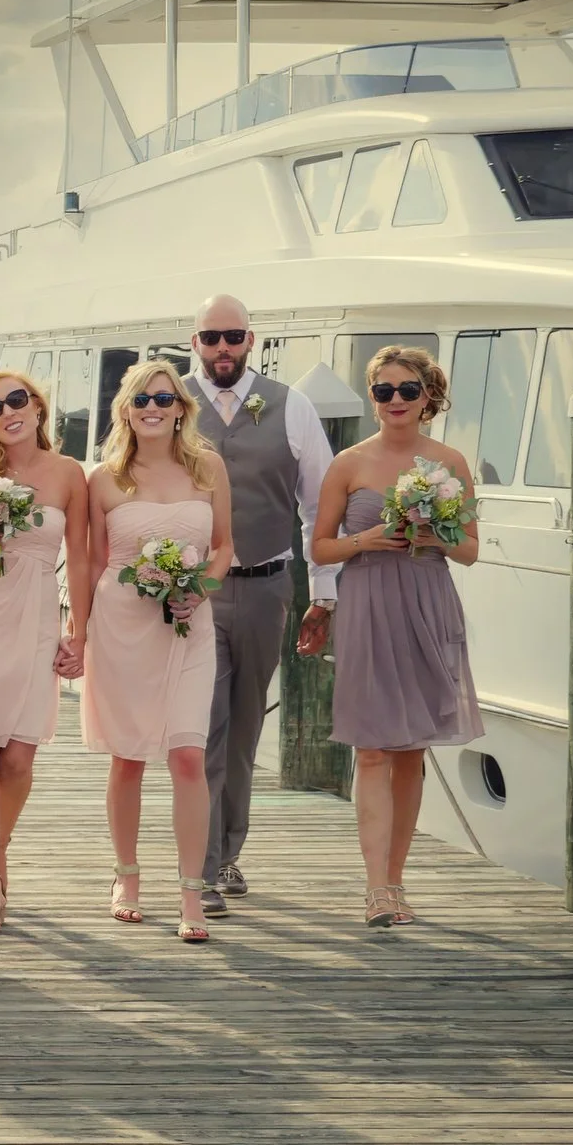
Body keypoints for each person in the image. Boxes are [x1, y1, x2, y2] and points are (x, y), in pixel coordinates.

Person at [310, 344, 482, 928]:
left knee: (412, 750)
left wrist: (431, 531)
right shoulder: (348, 464)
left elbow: (472, 551)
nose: (394, 401)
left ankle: (399, 880)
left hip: (427, 602)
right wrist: (370, 539)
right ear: (372, 397)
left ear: (428, 397)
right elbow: (321, 547)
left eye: (407, 390)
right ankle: (376, 887)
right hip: (367, 604)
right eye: (383, 391)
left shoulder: (451, 463)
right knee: (373, 748)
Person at [186, 294, 340, 916]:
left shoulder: (290, 405)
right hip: (193, 594)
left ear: (252, 339)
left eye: (233, 336)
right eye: (210, 336)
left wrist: (322, 594)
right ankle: (202, 867)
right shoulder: (166, 402)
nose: (222, 347)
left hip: (268, 586)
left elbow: (319, 507)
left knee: (245, 728)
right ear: (193, 341)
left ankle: (227, 850)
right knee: (206, 728)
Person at [79, 358, 233, 944]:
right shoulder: (104, 479)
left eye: (164, 400)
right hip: (122, 624)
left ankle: (192, 891)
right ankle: (126, 877)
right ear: (125, 409)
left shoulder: (208, 468)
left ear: (180, 410)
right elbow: (93, 561)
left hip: (190, 623)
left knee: (189, 755)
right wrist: (80, 634)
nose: (152, 408)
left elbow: (222, 548)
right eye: (142, 399)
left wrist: (201, 589)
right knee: (129, 756)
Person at [0, 368, 90, 936]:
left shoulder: (69, 474)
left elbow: (79, 558)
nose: (8, 413)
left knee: (20, 759)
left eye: (17, 400)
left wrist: (80, 631)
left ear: (38, 406)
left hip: (33, 616)